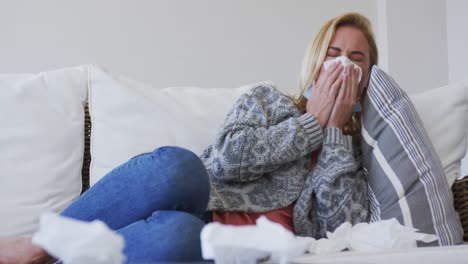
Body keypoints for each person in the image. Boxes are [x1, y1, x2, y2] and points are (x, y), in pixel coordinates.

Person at [0, 12, 378, 263]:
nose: (343, 65)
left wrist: (333, 134)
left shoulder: (356, 154)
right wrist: (309, 123)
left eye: (356, 59)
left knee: (178, 234)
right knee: (178, 166)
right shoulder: (268, 100)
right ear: (315, 62)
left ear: (367, 76)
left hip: (220, 248)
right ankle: (38, 247)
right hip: (199, 200)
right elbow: (229, 159)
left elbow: (341, 232)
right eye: (333, 53)